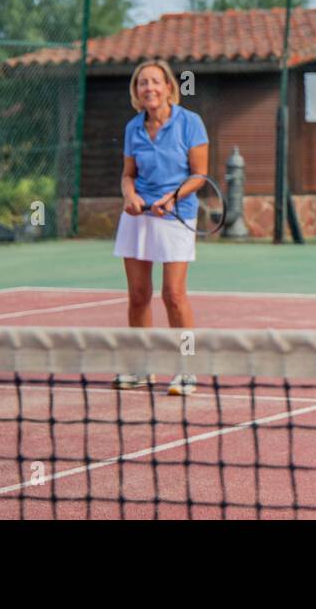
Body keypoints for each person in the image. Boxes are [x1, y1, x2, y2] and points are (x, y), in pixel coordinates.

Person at [113, 59, 210, 396]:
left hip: (177, 215)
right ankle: (141, 369)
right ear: (136, 92)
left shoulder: (191, 123)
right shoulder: (132, 128)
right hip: (138, 218)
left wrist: (171, 197)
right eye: (142, 83)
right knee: (138, 295)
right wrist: (130, 195)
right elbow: (129, 173)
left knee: (173, 294)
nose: (149, 88)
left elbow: (199, 174)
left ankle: (187, 371)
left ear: (170, 87)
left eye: (155, 82)